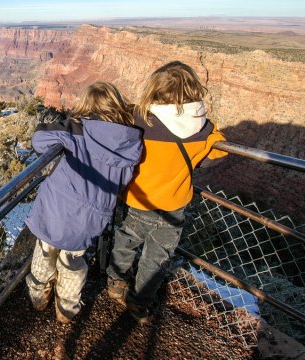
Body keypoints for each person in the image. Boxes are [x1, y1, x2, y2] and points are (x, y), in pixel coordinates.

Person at [106, 61, 228, 323]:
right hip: (174, 205)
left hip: (139, 200)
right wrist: (211, 131)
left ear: (154, 89)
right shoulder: (202, 129)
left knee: (126, 240)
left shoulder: (140, 120)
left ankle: (116, 281)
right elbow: (218, 153)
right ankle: (139, 303)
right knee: (157, 258)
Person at [25, 82, 142, 324]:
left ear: (86, 106)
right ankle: (66, 310)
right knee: (74, 261)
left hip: (56, 209)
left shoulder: (77, 131)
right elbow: (124, 180)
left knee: (45, 252)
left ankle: (38, 297)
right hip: (91, 218)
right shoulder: (131, 143)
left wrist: (67, 123)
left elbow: (39, 140)